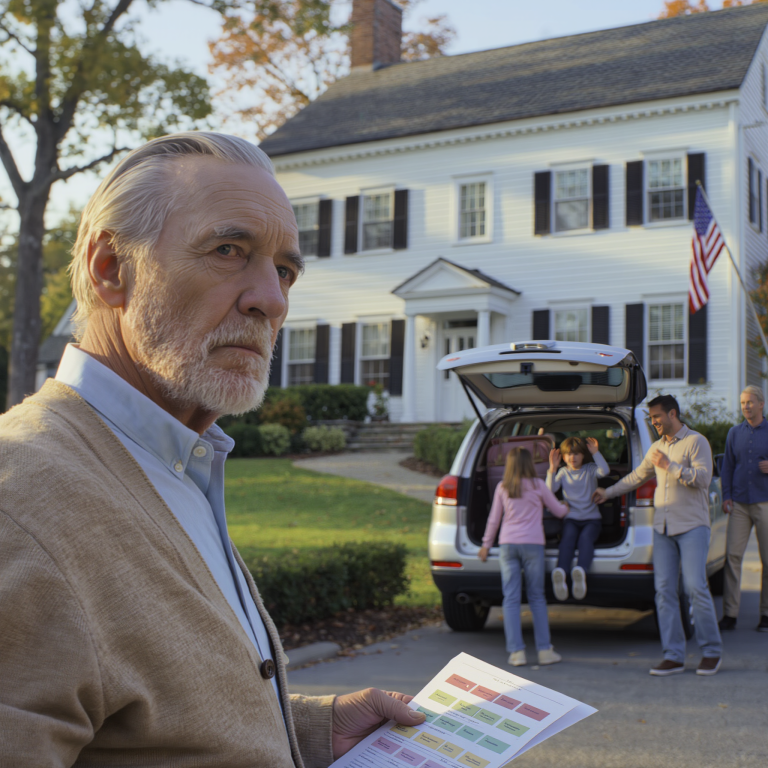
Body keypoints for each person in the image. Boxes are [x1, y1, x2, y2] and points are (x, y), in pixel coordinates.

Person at [0, 132, 425, 765]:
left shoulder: (177, 461)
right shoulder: (19, 500)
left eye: (284, 270)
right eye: (229, 250)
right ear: (111, 268)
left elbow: (140, 721)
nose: (273, 301)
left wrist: (306, 733)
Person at [594, 395, 722, 676]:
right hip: (663, 529)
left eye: (657, 417)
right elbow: (636, 477)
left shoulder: (696, 441)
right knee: (663, 592)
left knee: (695, 588)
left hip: (692, 527)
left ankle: (711, 652)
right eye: (651, 418)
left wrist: (670, 466)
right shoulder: (656, 448)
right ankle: (673, 655)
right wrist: (608, 492)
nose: (654, 422)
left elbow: (703, 479)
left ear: (672, 414)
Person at [478, 447, 570, 667]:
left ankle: (516, 652)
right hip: (533, 544)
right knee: (537, 597)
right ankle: (544, 650)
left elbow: (494, 520)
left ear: (509, 465)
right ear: (530, 464)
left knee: (510, 598)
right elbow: (558, 511)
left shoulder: (503, 487)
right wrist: (567, 506)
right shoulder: (538, 485)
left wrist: (485, 545)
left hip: (508, 545)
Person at [719, 384, 768, 633]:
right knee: (733, 557)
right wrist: (726, 496)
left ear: (761, 404)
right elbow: (727, 466)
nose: (746, 406)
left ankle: (766, 613)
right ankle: (730, 613)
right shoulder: (734, 433)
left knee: (767, 560)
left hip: (765, 502)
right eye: (742, 403)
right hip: (738, 503)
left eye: (750, 402)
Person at [547, 436, 610, 601]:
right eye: (568, 454)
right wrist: (552, 468)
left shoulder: (590, 469)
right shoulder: (563, 472)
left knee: (585, 540)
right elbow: (549, 490)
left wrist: (596, 453)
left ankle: (580, 571)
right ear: (563, 456)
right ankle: (561, 571)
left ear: (583, 455)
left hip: (592, 519)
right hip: (571, 519)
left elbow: (605, 471)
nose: (572, 458)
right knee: (567, 540)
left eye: (576, 454)